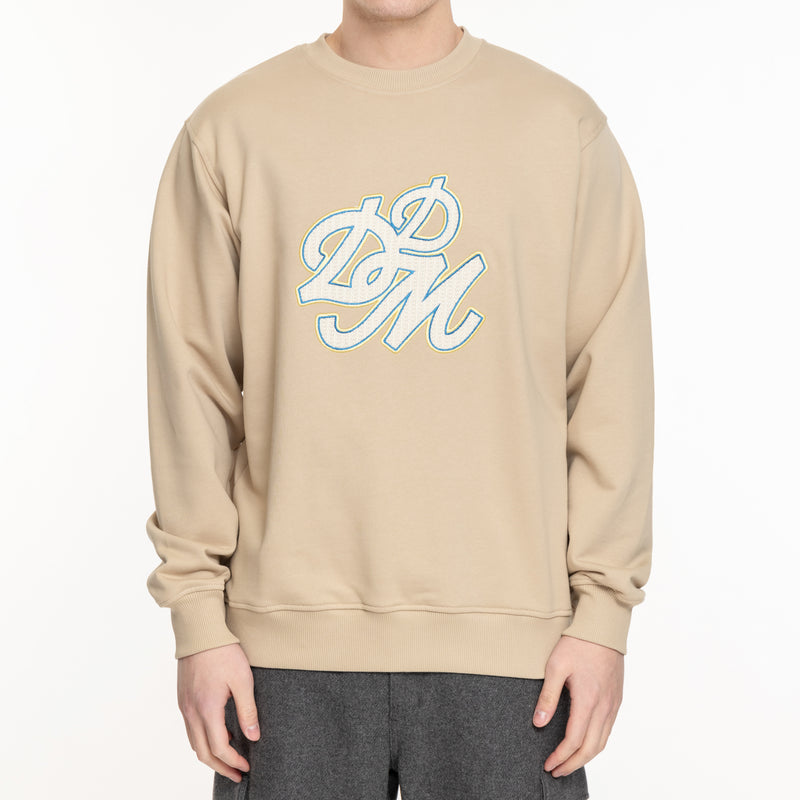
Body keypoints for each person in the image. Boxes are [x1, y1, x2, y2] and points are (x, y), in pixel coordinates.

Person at [144, 1, 655, 798]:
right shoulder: (233, 130)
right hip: (281, 657)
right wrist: (199, 622)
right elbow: (192, 387)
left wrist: (603, 619)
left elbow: (610, 386)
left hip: (514, 655)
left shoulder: (561, 130)